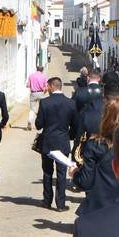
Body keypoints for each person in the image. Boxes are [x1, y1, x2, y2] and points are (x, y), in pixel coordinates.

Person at [73, 98, 119, 214]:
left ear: (104, 118)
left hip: (100, 208)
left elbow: (86, 182)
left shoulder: (94, 145)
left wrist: (75, 174)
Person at [35, 76, 78, 211]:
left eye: (47, 86)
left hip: (47, 143)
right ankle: (60, 204)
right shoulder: (71, 103)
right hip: (63, 143)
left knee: (47, 172)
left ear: (53, 86)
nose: (46, 89)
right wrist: (68, 136)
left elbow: (38, 125)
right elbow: (75, 125)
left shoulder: (44, 103)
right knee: (61, 174)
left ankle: (47, 200)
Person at [27, 64, 49, 129]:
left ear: (36, 69)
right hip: (41, 93)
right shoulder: (44, 77)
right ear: (42, 70)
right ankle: (43, 123)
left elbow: (28, 85)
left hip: (33, 93)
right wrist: (44, 92)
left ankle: (30, 120)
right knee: (42, 109)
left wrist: (32, 86)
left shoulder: (31, 76)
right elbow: (46, 87)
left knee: (32, 109)